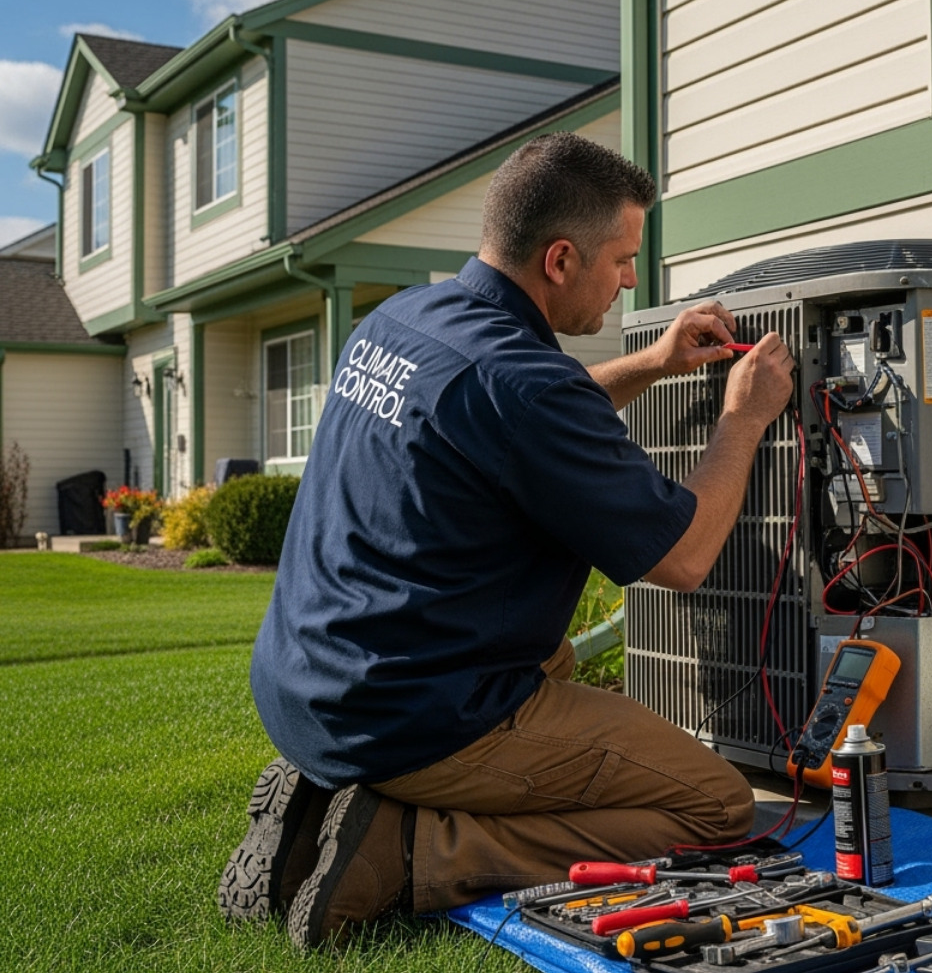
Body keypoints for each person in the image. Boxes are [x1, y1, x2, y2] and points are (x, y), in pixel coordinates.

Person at [217, 132, 796, 950]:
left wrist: (653, 364)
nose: (631, 277)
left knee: (556, 659)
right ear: (560, 260)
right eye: (623, 257)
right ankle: (408, 847)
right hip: (412, 711)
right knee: (717, 805)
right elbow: (686, 555)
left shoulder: (408, 318)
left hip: (307, 681)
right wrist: (743, 418)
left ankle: (336, 799)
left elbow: (513, 415)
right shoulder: (525, 384)